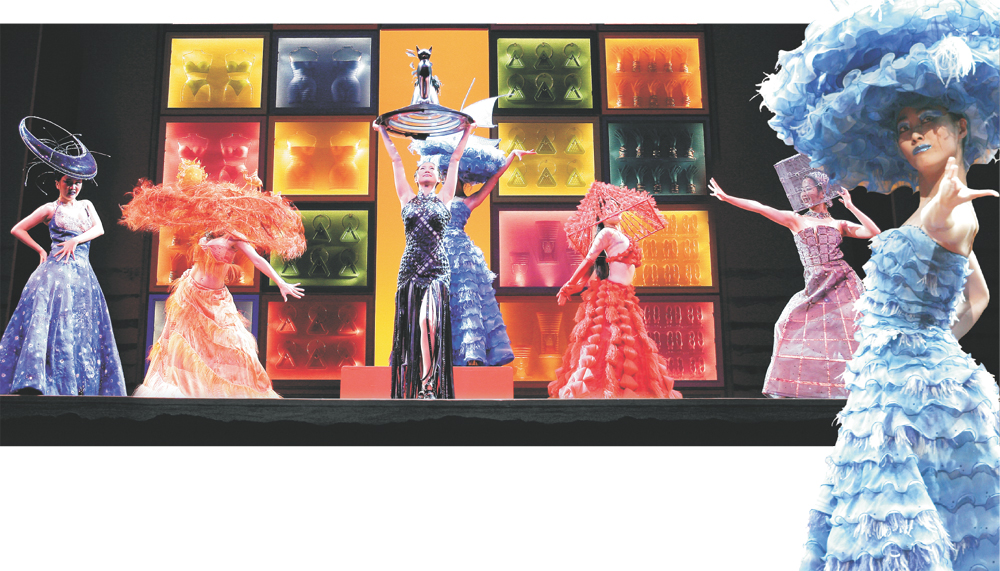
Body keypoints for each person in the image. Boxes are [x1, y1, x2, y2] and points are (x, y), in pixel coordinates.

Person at [757, 0, 999, 568]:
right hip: (900, 377)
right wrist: (930, 345)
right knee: (902, 509)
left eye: (928, 122)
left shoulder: (951, 206)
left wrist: (921, 346)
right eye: (904, 128)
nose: (914, 134)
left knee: (899, 518)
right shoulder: (929, 206)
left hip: (905, 386)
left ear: (961, 128)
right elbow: (980, 296)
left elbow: (958, 237)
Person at [121, 159, 306, 398]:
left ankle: (226, 395)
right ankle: (187, 392)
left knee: (231, 344)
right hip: (190, 293)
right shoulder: (207, 231)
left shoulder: (234, 236)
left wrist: (280, 282)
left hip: (216, 299)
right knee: (183, 344)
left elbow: (258, 260)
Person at [708, 173, 881, 398]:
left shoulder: (838, 224)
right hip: (815, 283)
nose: (803, 193)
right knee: (786, 324)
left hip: (841, 281)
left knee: (847, 333)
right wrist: (727, 197)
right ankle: (802, 388)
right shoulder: (796, 219)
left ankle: (860, 388)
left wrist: (851, 206)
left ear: (822, 192)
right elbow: (760, 207)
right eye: (801, 189)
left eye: (808, 188)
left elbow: (874, 232)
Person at [0, 117, 125, 396]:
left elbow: (99, 229)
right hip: (55, 275)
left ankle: (80, 386)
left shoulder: (87, 205)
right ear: (58, 182)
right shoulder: (50, 208)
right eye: (69, 182)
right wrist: (41, 250)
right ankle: (49, 384)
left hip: (83, 276)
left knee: (83, 327)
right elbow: (17, 229)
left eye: (77, 182)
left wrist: (75, 240)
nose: (73, 187)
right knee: (57, 326)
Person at [409, 134, 536, 366]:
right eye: (444, 173)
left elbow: (493, 180)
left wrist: (511, 157)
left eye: (452, 173)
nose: (447, 176)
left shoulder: (468, 202)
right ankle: (430, 358)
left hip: (461, 256)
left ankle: (470, 356)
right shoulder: (433, 200)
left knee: (465, 302)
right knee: (433, 304)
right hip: (434, 254)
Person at [550, 181, 682, 399]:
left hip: (625, 295)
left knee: (629, 341)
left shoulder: (621, 235)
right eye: (610, 207)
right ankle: (605, 388)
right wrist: (569, 284)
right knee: (607, 339)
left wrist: (577, 284)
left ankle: (626, 388)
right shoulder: (605, 234)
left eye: (616, 206)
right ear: (601, 215)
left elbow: (596, 265)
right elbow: (589, 260)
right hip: (609, 296)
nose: (617, 210)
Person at [375, 120, 475, 399]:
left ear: (439, 178)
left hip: (437, 269)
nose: (427, 169)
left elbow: (455, 159)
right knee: (413, 328)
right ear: (417, 176)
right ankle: (420, 386)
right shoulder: (406, 198)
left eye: (431, 168)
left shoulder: (444, 198)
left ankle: (428, 384)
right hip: (410, 269)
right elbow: (396, 160)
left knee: (429, 321)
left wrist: (468, 131)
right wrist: (382, 131)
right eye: (422, 168)